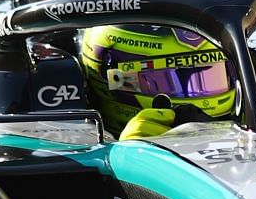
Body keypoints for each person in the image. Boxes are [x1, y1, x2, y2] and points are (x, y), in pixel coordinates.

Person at [78, 24, 237, 139]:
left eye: (212, 78)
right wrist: (126, 156)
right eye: (162, 81)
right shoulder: (76, 143)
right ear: (112, 79)